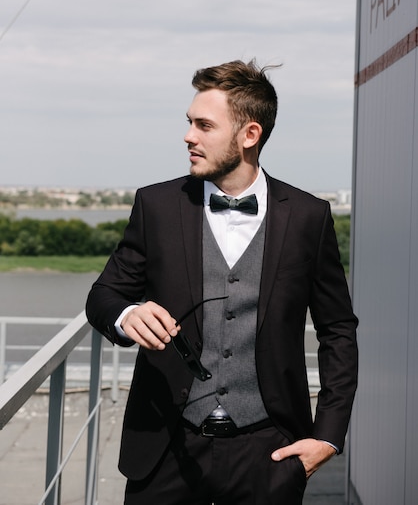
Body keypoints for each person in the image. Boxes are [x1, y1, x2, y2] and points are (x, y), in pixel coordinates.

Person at [86, 59, 358, 504]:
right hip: (165, 449)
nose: (188, 136)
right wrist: (127, 313)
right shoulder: (156, 206)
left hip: (270, 452)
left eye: (204, 125)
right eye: (189, 123)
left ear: (249, 135)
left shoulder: (309, 217)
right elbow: (103, 296)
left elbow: (338, 331)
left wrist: (327, 436)